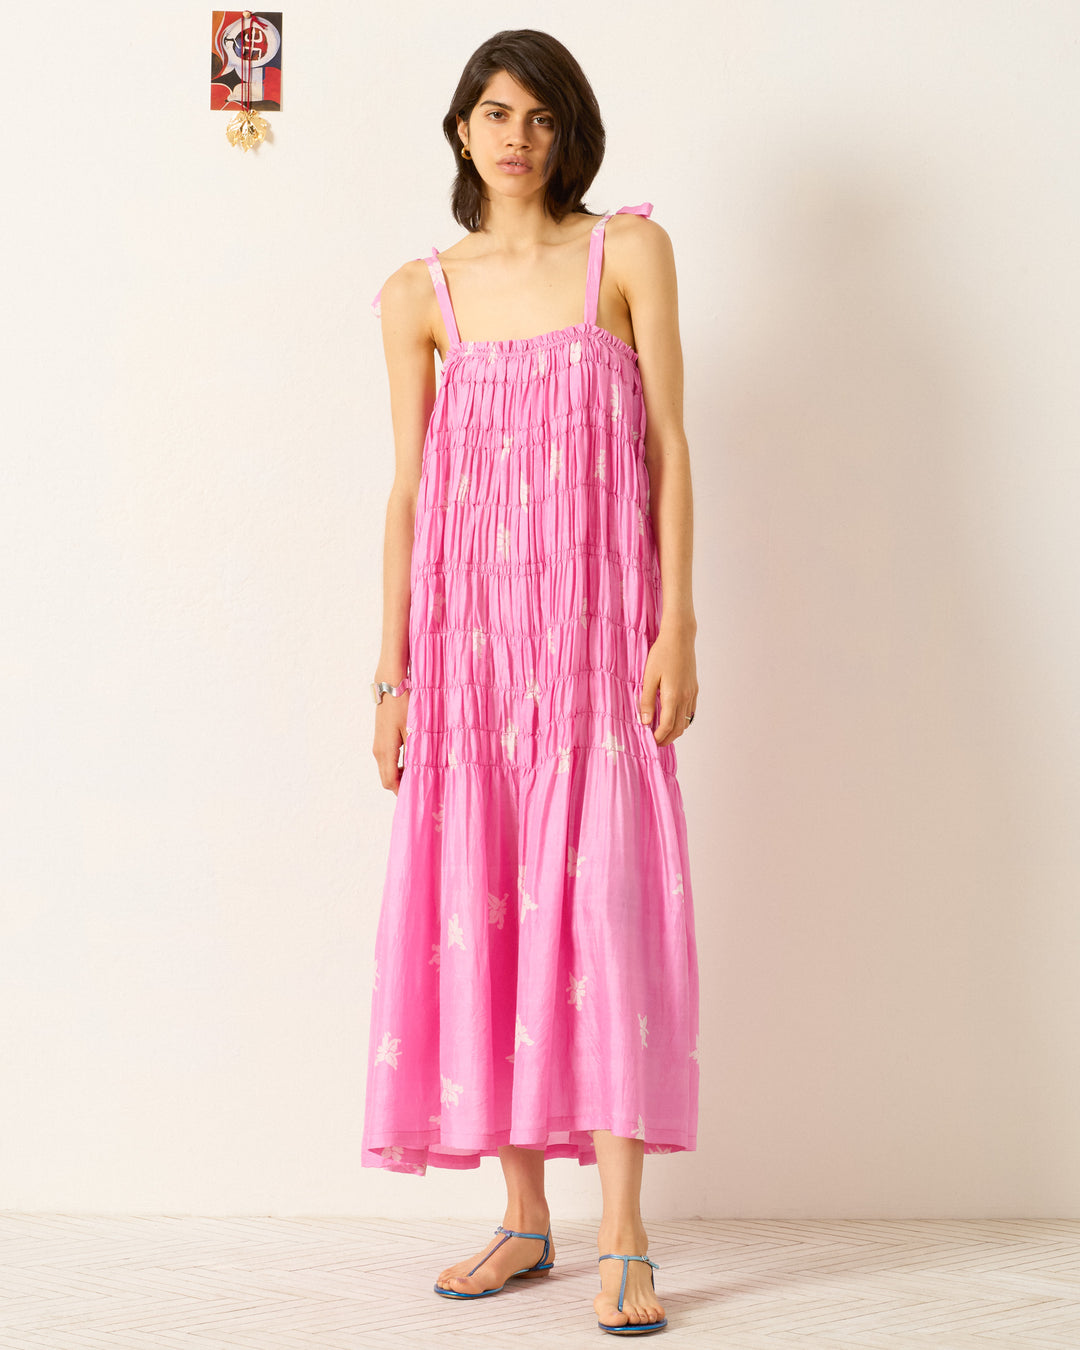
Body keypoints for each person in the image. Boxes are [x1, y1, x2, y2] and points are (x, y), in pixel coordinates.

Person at [364, 29, 699, 1335]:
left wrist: (681, 625)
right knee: (483, 906)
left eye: (542, 116)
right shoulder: (415, 295)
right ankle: (522, 1216)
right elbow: (406, 490)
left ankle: (625, 1232)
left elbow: (671, 440)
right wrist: (390, 673)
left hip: (601, 641)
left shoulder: (629, 253)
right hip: (472, 654)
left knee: (602, 915)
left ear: (569, 134)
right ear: (461, 131)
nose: (518, 135)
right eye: (495, 113)